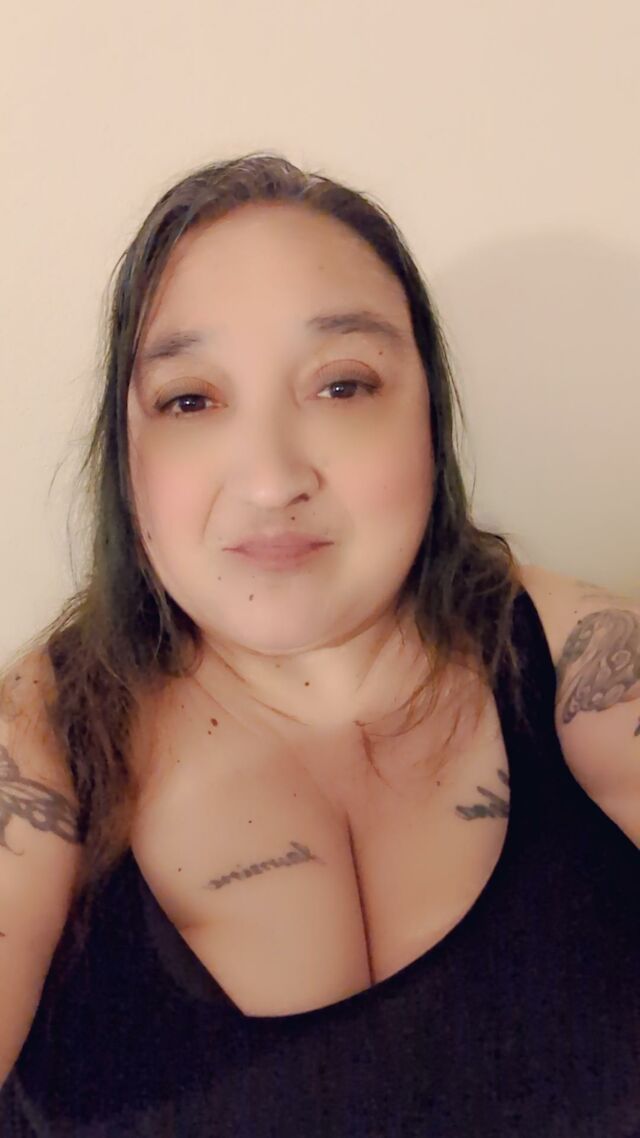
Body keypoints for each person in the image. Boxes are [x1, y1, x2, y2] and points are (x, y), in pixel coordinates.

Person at [0, 152, 638, 1137]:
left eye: (342, 385)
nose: (270, 479)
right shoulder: (36, 747)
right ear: (126, 455)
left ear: (429, 418)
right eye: (189, 399)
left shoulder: (585, 660)